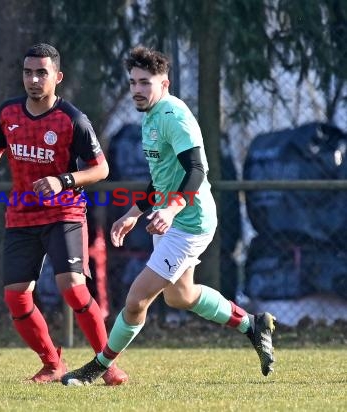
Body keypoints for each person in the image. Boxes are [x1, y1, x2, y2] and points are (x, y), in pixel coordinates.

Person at [61, 46, 276, 386]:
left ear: (165, 83)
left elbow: (196, 170)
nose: (137, 89)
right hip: (172, 217)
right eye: (132, 82)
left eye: (145, 82)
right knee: (181, 296)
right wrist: (133, 213)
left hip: (189, 223)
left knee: (135, 300)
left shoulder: (174, 117)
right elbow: (161, 178)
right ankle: (253, 324)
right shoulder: (150, 117)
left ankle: (98, 367)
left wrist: (173, 208)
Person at [0, 43, 128, 385]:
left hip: (65, 212)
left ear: (57, 77)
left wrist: (63, 180)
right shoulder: (7, 114)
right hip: (21, 217)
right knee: (16, 297)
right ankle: (52, 363)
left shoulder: (72, 120)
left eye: (41, 73)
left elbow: (101, 169)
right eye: (28, 72)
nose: (33, 79)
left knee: (74, 288)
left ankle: (107, 365)